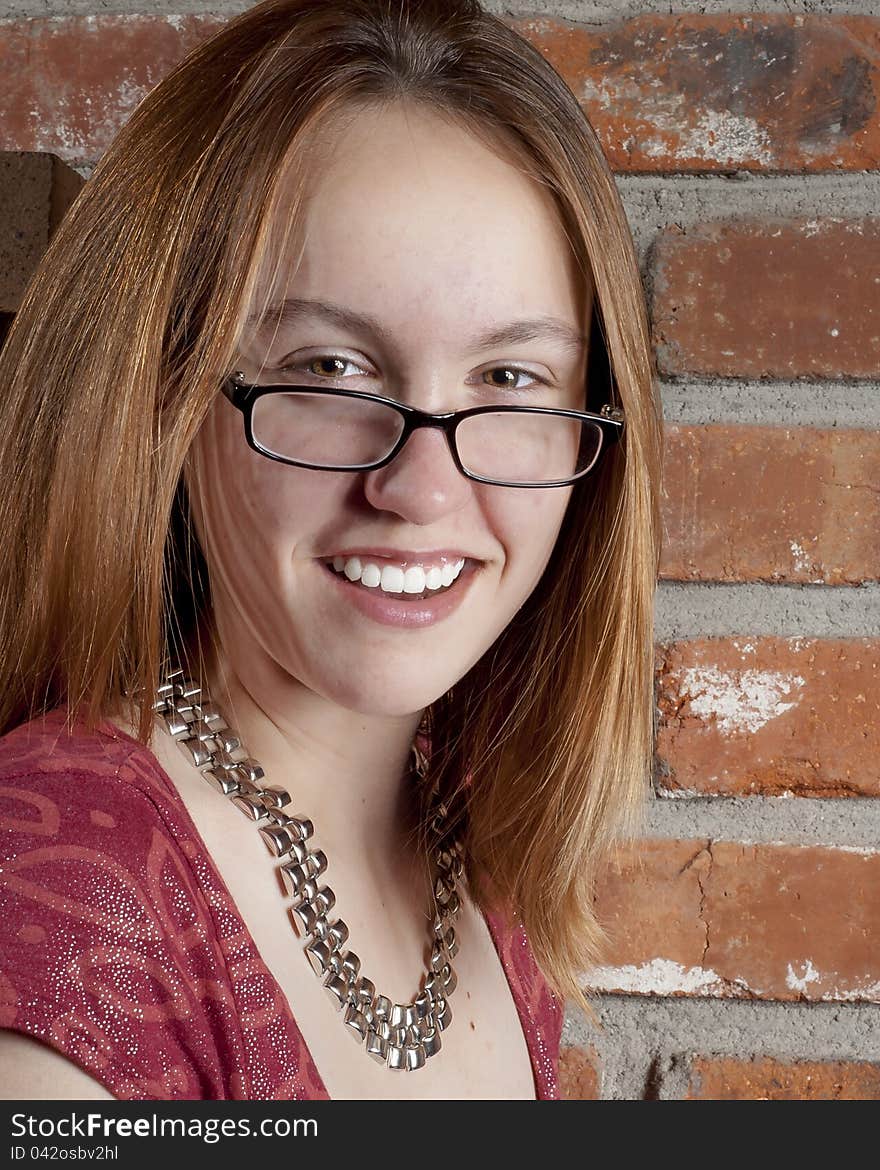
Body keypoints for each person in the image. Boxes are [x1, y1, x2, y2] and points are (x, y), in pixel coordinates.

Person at [0, 0, 661, 1100]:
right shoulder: (63, 900)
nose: (420, 489)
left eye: (508, 381)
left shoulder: (481, 843)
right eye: (330, 372)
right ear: (166, 397)